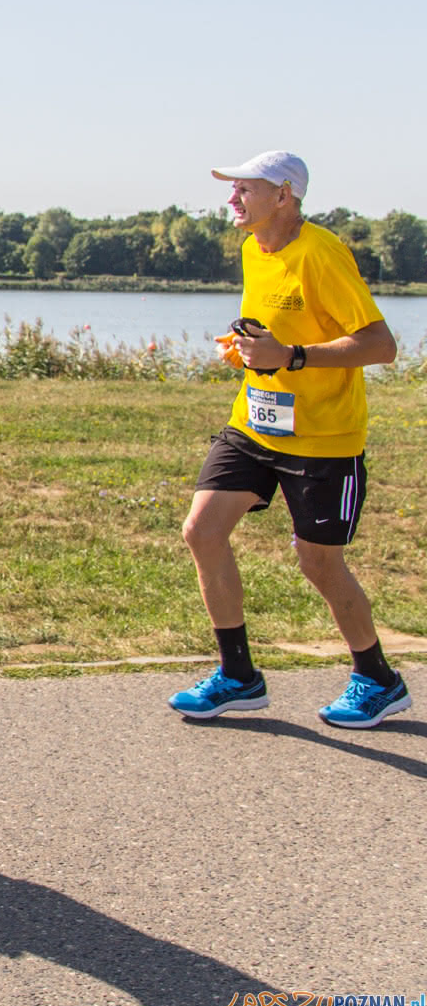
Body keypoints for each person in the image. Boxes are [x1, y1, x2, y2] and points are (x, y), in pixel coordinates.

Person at [169, 150, 409, 727]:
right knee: (202, 530)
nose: (232, 201)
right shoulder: (254, 248)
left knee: (317, 563)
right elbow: (276, 328)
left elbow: (381, 345)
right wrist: (250, 349)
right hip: (256, 423)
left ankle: (377, 678)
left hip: (323, 438)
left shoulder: (322, 254)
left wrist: (292, 357)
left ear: (284, 196)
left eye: (244, 190)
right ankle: (238, 677)